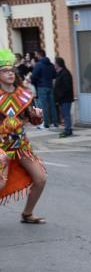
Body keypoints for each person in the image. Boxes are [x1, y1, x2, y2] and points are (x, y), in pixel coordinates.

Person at [0, 48, 47, 223]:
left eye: (11, 70)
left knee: (41, 178)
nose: (10, 73)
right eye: (4, 71)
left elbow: (33, 121)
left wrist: (37, 117)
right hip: (1, 147)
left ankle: (27, 214)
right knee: (1, 183)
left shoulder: (24, 94)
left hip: (21, 146)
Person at [31, 49, 57, 129]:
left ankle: (46, 123)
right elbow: (54, 75)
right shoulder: (51, 65)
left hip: (41, 86)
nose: (36, 56)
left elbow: (33, 76)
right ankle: (55, 122)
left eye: (37, 55)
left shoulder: (38, 64)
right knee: (52, 105)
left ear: (39, 55)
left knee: (44, 105)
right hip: (50, 86)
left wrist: (35, 82)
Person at [53, 57, 74, 138]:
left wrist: (60, 95)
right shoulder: (60, 72)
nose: (54, 65)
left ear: (58, 64)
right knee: (65, 114)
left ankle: (67, 130)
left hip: (66, 98)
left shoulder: (65, 73)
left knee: (66, 114)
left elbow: (66, 87)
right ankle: (68, 129)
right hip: (62, 98)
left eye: (55, 63)